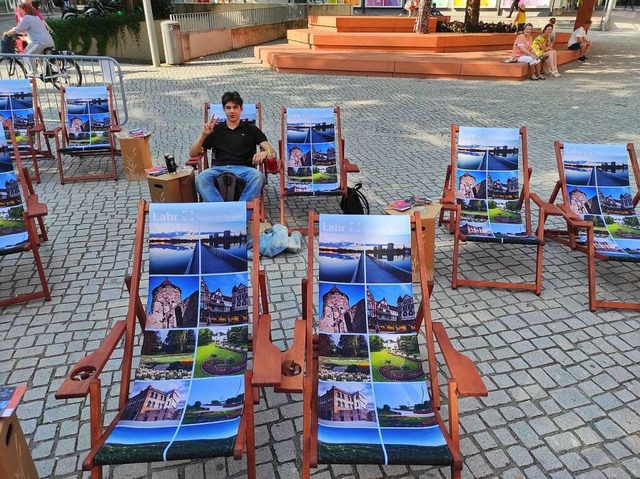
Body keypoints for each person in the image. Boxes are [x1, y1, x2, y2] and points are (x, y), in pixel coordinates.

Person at [189, 91, 278, 203]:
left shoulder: (252, 129)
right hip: (218, 168)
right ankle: (223, 210)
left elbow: (272, 152)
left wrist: (265, 152)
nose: (232, 111)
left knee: (258, 177)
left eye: (235, 107)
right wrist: (203, 135)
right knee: (201, 178)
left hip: (245, 169)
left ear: (241, 109)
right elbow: (193, 153)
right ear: (224, 109)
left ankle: (241, 212)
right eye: (228, 108)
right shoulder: (215, 130)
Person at [3, 3, 54, 75]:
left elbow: (17, 29)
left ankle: (33, 72)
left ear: (25, 10)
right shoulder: (35, 17)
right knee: (27, 51)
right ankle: (49, 72)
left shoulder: (27, 18)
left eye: (21, 11)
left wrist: (6, 33)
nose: (21, 12)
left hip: (40, 42)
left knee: (27, 55)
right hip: (48, 40)